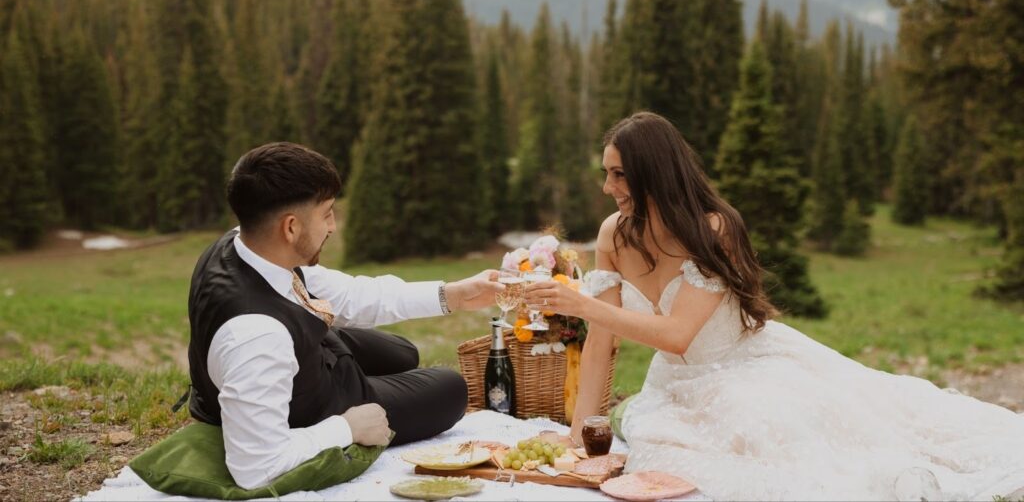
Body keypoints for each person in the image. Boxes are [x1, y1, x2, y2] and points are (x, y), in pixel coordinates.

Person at [525, 112, 1024, 501]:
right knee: (664, 450)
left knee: (783, 440)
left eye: (618, 175)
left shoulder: (714, 228)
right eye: (606, 173)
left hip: (745, 367)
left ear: (654, 174)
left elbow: (678, 334)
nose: (607, 187)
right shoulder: (614, 232)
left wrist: (582, 304)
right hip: (674, 385)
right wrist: (575, 438)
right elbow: (601, 345)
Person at [185, 142, 501, 490]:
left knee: (401, 352)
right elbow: (255, 467)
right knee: (451, 389)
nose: (334, 226)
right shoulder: (258, 336)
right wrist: (347, 427)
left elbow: (349, 294)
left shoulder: (243, 243)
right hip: (311, 402)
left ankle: (356, 372)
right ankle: (356, 395)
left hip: (303, 357)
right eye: (327, 213)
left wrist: (451, 295)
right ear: (290, 227)